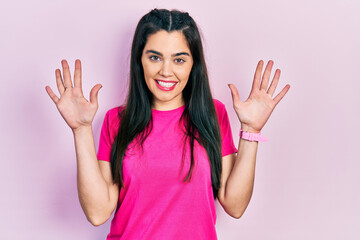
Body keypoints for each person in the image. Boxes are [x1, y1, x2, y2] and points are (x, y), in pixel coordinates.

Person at [45, 8, 290, 240]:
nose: (166, 71)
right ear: (139, 60)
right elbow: (98, 213)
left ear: (193, 64)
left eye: (179, 60)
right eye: (155, 57)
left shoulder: (213, 115)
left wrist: (251, 131)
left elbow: (235, 205)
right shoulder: (116, 121)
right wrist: (81, 130)